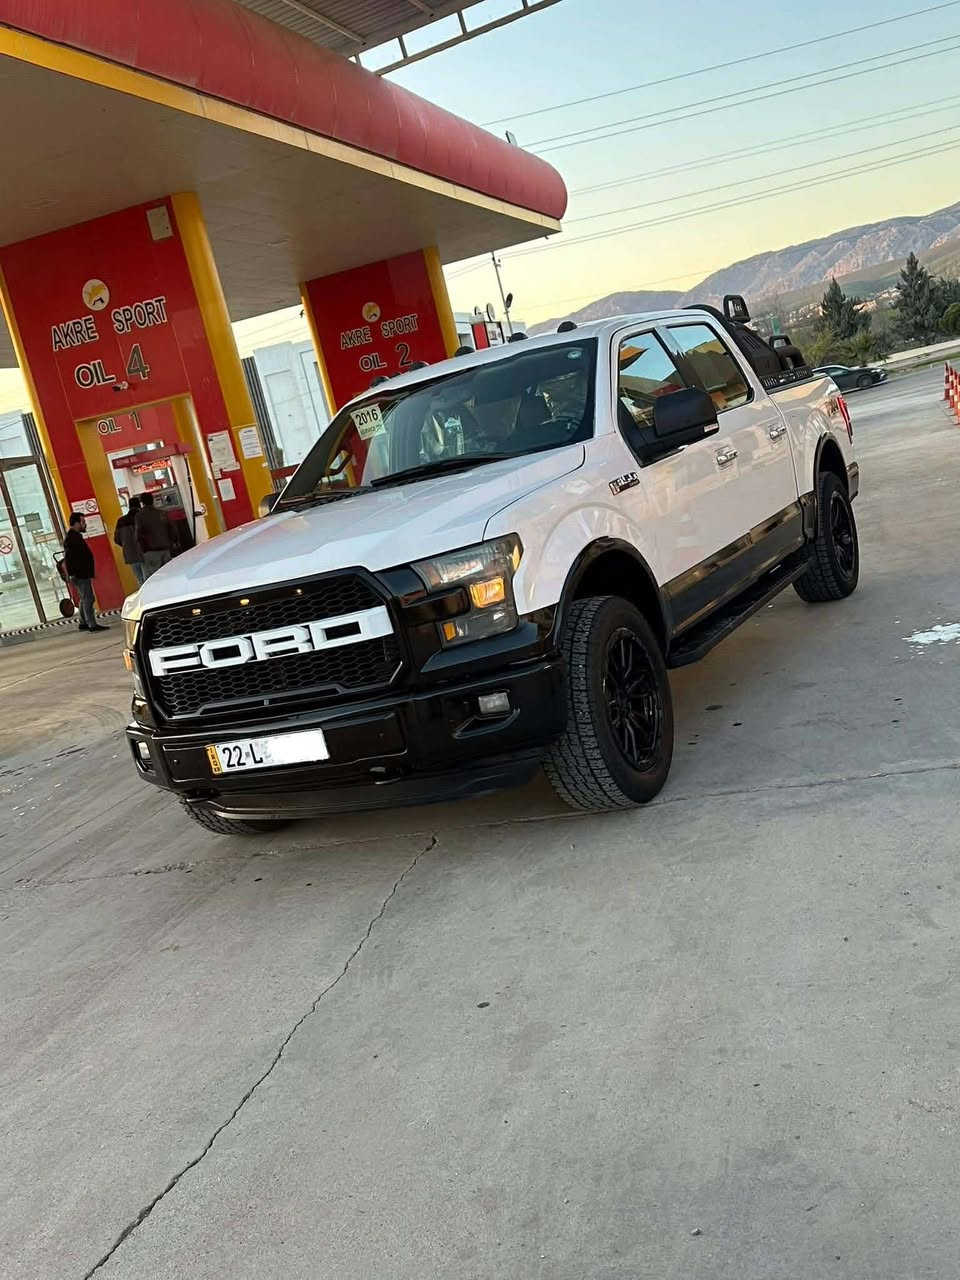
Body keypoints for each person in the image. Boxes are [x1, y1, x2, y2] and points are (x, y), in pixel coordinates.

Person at [63, 512, 108, 633]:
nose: (85, 524)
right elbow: (71, 559)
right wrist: (75, 573)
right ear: (76, 523)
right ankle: (91, 624)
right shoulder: (73, 538)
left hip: (80, 573)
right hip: (80, 574)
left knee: (84, 598)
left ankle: (83, 622)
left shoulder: (74, 537)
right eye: (82, 522)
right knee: (88, 598)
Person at [135, 491, 173, 578]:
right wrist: (172, 543)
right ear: (152, 500)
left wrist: (142, 550)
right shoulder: (162, 513)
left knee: (156, 578)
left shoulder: (139, 516)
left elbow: (138, 535)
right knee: (170, 575)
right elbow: (171, 529)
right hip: (165, 549)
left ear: (142, 502)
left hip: (151, 552)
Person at [113, 496, 146, 585]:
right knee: (149, 577)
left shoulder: (121, 521)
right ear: (139, 505)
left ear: (129, 506)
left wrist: (126, 544)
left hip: (131, 555)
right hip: (145, 552)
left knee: (140, 580)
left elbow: (116, 539)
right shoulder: (142, 517)